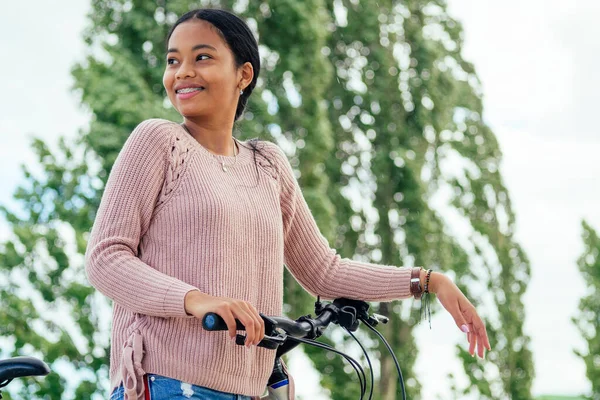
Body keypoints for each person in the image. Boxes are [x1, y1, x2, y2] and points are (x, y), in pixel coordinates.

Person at [85, 8, 491, 400]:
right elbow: (106, 257)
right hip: (167, 381)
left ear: (244, 74)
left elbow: (323, 271)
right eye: (173, 61)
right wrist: (197, 300)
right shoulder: (158, 141)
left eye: (202, 57)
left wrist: (427, 281)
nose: (182, 72)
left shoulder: (268, 164)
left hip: (251, 387)